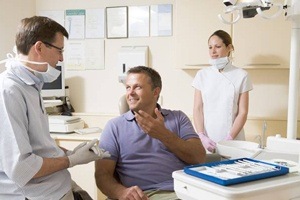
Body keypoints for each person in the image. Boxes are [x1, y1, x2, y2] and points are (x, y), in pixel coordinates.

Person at [0, 16, 110, 200]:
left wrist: (71, 152)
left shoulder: (31, 85)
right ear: (39, 47)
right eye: (60, 50)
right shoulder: (9, 92)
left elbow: (39, 148)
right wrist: (71, 160)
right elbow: (21, 168)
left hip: (56, 186)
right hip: (36, 195)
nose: (61, 58)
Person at [95, 66, 206, 200]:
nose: (130, 93)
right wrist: (121, 193)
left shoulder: (178, 118)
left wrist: (163, 134)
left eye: (137, 87)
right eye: (128, 87)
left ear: (155, 92)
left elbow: (198, 157)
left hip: (184, 191)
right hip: (144, 195)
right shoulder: (114, 127)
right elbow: (102, 175)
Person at [192, 30, 253, 153]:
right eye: (210, 47)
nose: (213, 52)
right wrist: (201, 135)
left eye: (218, 47)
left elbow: (243, 112)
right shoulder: (202, 75)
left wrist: (230, 138)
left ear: (229, 47)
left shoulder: (241, 75)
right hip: (208, 139)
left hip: (234, 140)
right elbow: (197, 109)